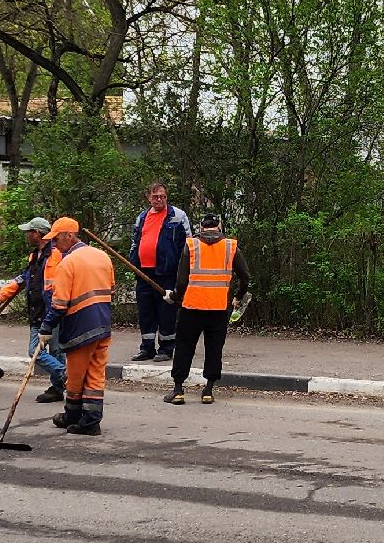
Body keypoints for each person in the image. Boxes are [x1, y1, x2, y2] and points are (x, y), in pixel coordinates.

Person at [164, 213, 252, 405]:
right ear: (219, 226)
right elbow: (245, 276)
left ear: (201, 227)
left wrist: (174, 297)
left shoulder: (191, 245)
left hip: (192, 307)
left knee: (184, 347)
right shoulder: (230, 246)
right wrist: (238, 296)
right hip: (218, 308)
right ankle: (208, 391)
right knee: (214, 349)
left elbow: (182, 280)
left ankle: (178, 390)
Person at [39, 216, 117, 436]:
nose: (54, 244)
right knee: (95, 374)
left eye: (56, 239)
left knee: (75, 376)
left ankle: (72, 416)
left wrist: (46, 328)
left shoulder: (68, 263)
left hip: (80, 328)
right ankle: (91, 420)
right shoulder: (102, 256)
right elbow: (111, 289)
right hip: (103, 324)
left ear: (70, 235)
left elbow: (59, 304)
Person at [0, 217, 66, 403]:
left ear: (38, 233)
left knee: (56, 352)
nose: (26, 235)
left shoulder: (57, 255)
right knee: (35, 351)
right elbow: (22, 279)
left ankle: (58, 388)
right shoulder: (34, 256)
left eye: (29, 232)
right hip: (37, 311)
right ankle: (65, 375)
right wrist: (1, 297)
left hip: (54, 311)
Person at [128, 183, 191, 361]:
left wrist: (183, 271)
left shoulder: (177, 216)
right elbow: (135, 241)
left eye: (163, 196)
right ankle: (147, 348)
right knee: (146, 311)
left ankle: (166, 348)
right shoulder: (142, 217)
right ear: (149, 197)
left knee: (166, 311)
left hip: (167, 272)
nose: (159, 199)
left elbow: (187, 244)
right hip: (143, 272)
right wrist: (133, 260)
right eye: (155, 196)